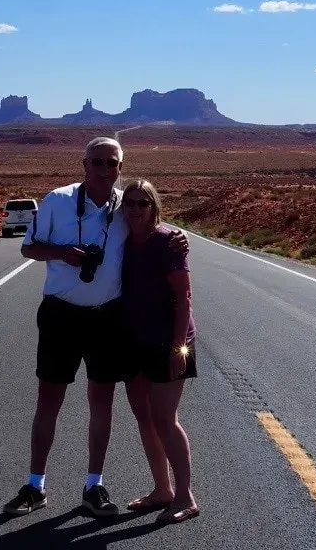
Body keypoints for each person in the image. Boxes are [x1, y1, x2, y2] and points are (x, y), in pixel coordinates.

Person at [3, 137, 188, 518]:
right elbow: (28, 248)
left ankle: (94, 485)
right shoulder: (57, 201)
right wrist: (61, 253)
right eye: (98, 162)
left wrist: (177, 237)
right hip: (61, 314)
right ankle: (35, 485)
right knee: (48, 401)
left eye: (112, 163)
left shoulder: (124, 205)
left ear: (120, 168)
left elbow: (148, 219)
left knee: (101, 402)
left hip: (107, 318)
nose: (105, 169)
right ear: (84, 164)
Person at [120, 178, 199, 524]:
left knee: (166, 420)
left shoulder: (168, 242)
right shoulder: (122, 241)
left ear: (154, 207)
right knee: (145, 419)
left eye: (143, 203)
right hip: (134, 342)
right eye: (130, 203)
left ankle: (185, 497)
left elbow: (184, 299)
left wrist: (178, 348)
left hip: (168, 342)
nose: (136, 209)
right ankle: (162, 490)